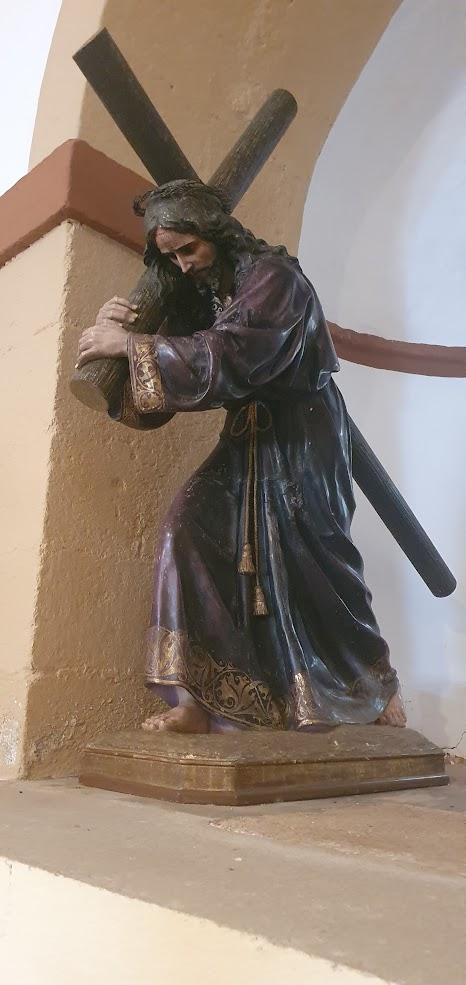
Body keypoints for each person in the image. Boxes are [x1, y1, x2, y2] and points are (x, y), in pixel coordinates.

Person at [77, 180, 406, 733]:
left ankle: (373, 687)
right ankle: (196, 700)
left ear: (216, 233)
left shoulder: (275, 279)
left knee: (319, 563)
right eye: (171, 257)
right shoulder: (206, 294)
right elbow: (171, 390)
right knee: (185, 529)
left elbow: (231, 355)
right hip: (247, 437)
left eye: (189, 249)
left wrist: (132, 347)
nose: (183, 265)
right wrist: (124, 333)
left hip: (303, 436)